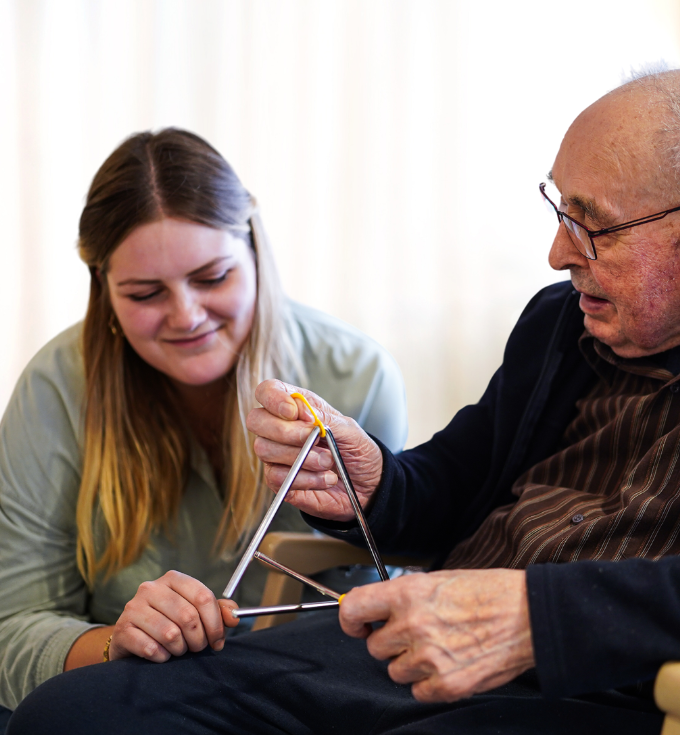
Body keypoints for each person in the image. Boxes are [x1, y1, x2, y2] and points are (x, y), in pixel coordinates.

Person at [10, 69, 680, 735]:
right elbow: (451, 486)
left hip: (619, 691)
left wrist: (543, 617)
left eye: (591, 224)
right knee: (78, 712)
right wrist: (376, 481)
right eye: (557, 210)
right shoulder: (563, 322)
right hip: (410, 659)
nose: (558, 253)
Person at [0, 129, 408, 718]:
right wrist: (116, 644)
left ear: (255, 254)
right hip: (123, 709)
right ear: (103, 292)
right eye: (144, 293)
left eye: (212, 278)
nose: (186, 316)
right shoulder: (57, 389)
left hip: (301, 704)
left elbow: (374, 604)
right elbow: (11, 627)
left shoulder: (356, 378)